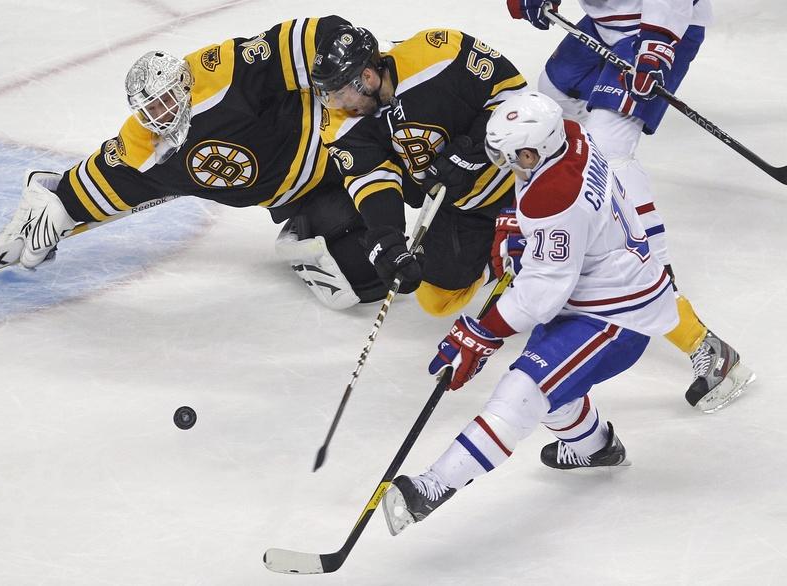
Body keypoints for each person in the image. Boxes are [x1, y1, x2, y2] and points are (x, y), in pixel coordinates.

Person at [380, 92, 678, 534]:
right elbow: (567, 223)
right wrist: (521, 225)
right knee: (554, 388)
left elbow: (540, 295)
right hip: (594, 286)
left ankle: (433, 487)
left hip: (616, 315)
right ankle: (596, 448)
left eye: (510, 157)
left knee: (522, 390)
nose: (506, 167)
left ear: (531, 150)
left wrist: (482, 333)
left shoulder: (553, 196)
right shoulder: (570, 137)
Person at [0, 16, 386, 311]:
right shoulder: (148, 146)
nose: (161, 114)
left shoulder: (225, 76)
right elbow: (109, 177)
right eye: (150, 108)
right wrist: (60, 203)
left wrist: (340, 47)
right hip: (305, 194)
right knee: (367, 277)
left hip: (340, 144)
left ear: (185, 83)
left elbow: (303, 41)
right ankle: (305, 232)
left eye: (166, 100)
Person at [501, 0, 754, 411]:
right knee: (544, 117)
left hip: (659, 25)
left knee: (607, 151)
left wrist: (657, 44)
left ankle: (662, 287)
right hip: (605, 25)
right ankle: (552, 236)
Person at [310, 24, 527, 316]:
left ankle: (532, 239)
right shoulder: (340, 123)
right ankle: (499, 261)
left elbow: (513, 95)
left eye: (339, 93)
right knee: (436, 299)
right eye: (328, 95)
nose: (335, 104)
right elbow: (371, 179)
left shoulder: (439, 53)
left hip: (523, 176)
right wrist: (388, 238)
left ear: (367, 77)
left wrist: (472, 150)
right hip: (462, 206)